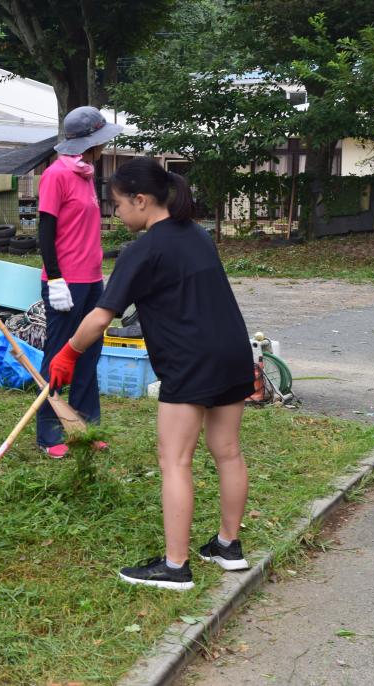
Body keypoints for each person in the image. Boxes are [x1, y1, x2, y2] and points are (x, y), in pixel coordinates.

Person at [47, 157, 254, 591]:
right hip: (232, 350)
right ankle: (227, 546)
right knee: (228, 451)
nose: (116, 213)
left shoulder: (143, 250)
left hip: (190, 361)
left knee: (174, 460)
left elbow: (101, 317)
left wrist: (68, 352)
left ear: (141, 201)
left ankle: (175, 568)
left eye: (119, 204)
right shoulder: (197, 234)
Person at [36, 105, 123, 458]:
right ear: (92, 143)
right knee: (58, 356)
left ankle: (85, 426)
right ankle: (50, 434)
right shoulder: (56, 175)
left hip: (91, 279)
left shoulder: (86, 175)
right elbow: (45, 230)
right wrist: (54, 277)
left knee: (88, 353)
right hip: (65, 282)